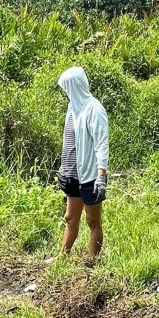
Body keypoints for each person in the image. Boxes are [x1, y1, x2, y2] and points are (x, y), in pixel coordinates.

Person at [56, 66, 109, 260]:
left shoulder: (93, 109)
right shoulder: (73, 107)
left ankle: (92, 261)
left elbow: (101, 144)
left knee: (92, 221)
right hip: (72, 174)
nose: (65, 93)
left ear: (74, 86)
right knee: (70, 218)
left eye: (66, 88)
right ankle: (62, 257)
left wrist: (101, 175)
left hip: (89, 175)